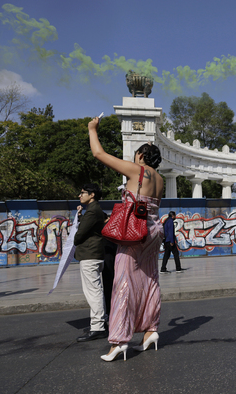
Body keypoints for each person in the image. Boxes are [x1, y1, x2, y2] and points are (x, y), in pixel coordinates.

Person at [88, 117, 164, 362]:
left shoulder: (137, 170)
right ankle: (151, 330)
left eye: (135, 154)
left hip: (134, 232)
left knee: (123, 284)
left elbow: (98, 153)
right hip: (154, 232)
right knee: (150, 279)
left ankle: (119, 341)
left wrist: (92, 129)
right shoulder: (160, 180)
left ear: (141, 156)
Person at [74, 183, 108, 342]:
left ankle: (98, 327)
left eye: (82, 193)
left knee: (93, 291)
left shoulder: (92, 211)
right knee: (96, 290)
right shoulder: (96, 211)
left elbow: (79, 235)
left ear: (92, 194)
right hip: (94, 254)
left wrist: (76, 233)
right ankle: (100, 323)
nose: (80, 196)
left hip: (90, 255)